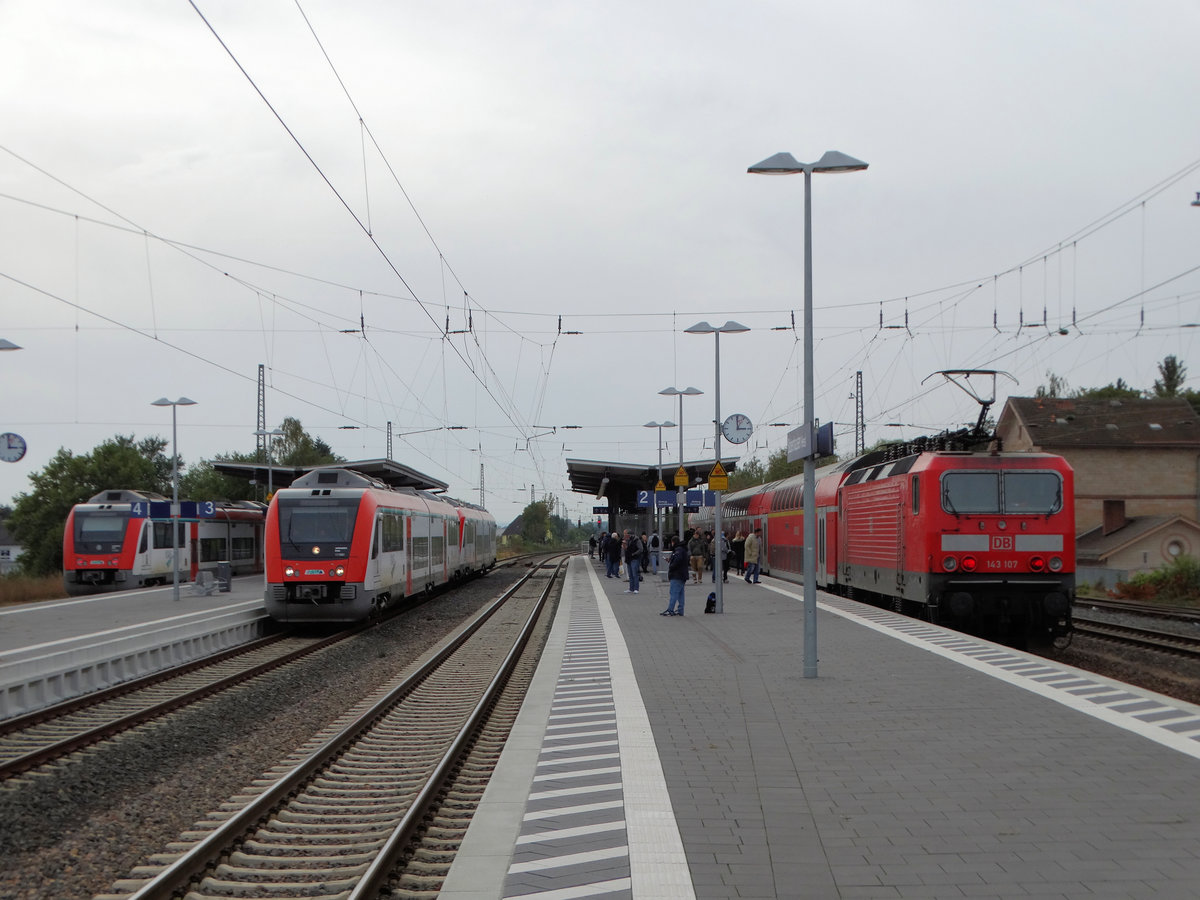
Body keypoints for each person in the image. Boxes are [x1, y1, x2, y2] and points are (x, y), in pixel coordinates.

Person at [662, 535, 689, 616]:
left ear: (673, 542)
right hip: (682, 575)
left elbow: (677, 561)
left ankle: (670, 610)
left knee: (673, 593)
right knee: (680, 593)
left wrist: (671, 565)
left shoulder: (678, 550)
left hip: (677, 574)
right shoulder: (682, 549)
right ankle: (680, 610)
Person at [623, 528, 643, 593]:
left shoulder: (636, 540)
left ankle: (636, 588)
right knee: (630, 574)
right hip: (629, 558)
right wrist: (624, 544)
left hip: (634, 558)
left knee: (635, 574)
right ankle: (631, 588)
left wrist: (634, 554)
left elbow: (640, 549)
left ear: (628, 534)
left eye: (625, 534)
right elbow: (626, 549)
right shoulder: (628, 540)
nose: (624, 535)